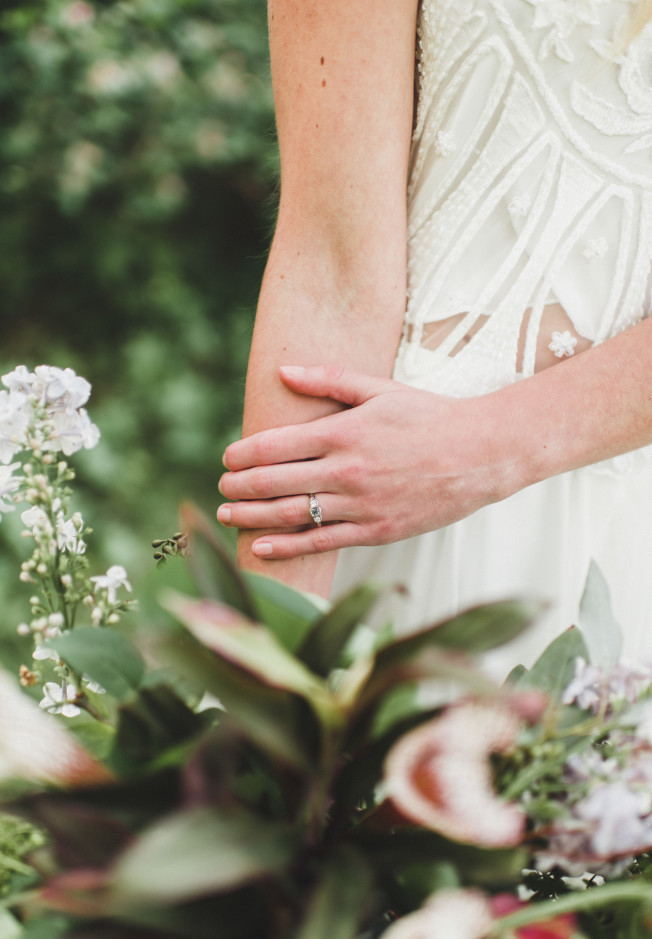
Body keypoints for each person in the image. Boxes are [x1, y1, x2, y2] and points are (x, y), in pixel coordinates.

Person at [217, 0, 652, 673]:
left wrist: (483, 449)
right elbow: (330, 267)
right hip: (381, 488)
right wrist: (266, 673)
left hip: (618, 515)